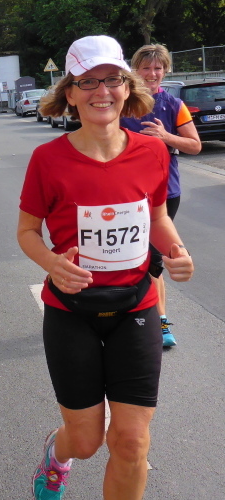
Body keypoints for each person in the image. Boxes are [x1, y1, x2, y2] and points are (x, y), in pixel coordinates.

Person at [17, 35, 194, 500]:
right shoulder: (48, 159)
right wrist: (52, 263)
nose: (102, 91)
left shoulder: (152, 151)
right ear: (70, 93)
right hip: (71, 312)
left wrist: (176, 251)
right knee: (86, 442)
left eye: (112, 79)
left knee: (132, 441)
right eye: (87, 82)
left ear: (127, 86)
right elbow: (27, 231)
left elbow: (157, 217)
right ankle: (56, 456)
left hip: (136, 306)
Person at [120, 44, 202, 348]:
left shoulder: (173, 105)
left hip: (164, 193)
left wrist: (166, 137)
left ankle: (160, 321)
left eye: (158, 68)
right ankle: (130, 312)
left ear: (165, 71)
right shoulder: (123, 102)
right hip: (124, 193)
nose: (152, 74)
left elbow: (195, 146)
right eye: (146, 68)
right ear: (135, 70)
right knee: (131, 255)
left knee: (153, 258)